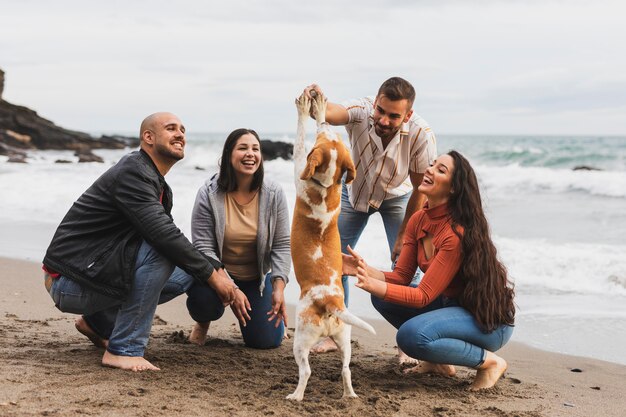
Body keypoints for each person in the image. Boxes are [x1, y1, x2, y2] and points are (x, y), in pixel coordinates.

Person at [42, 112, 237, 372]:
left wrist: (215, 269)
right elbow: (163, 236)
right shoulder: (133, 173)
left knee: (189, 272)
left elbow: (168, 234)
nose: (180, 134)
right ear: (148, 137)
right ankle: (124, 349)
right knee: (165, 252)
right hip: (68, 281)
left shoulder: (155, 182)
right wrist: (213, 276)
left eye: (182, 130)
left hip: (96, 274)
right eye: (171, 128)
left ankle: (97, 323)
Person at [343, 150, 515, 390]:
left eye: (440, 170)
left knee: (410, 337)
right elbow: (402, 277)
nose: (430, 170)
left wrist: (376, 284)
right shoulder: (418, 219)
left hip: (487, 321)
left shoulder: (455, 234)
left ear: (453, 188)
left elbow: (422, 296)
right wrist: (362, 269)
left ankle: (490, 363)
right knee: (383, 299)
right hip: (451, 307)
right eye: (432, 165)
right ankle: (438, 363)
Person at [302, 77, 437, 353]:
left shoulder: (422, 134)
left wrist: (404, 235)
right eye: (381, 111)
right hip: (356, 193)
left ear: (408, 115)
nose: (384, 120)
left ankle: (407, 343)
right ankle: (335, 332)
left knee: (406, 266)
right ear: (375, 103)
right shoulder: (363, 111)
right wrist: (317, 100)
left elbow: (421, 189)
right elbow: (332, 111)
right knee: (332, 260)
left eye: (393, 116)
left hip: (399, 197)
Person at [171, 128, 290, 349]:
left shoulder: (273, 193)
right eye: (242, 148)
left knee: (266, 342)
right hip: (216, 274)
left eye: (255, 149)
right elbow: (203, 247)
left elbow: (282, 244)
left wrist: (278, 287)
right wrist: (230, 288)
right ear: (228, 154)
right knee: (204, 303)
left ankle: (270, 325)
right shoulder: (208, 192)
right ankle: (202, 322)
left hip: (255, 279)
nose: (250, 154)